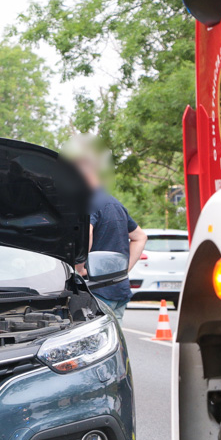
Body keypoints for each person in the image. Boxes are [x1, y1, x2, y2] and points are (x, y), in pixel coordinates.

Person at [65, 134, 147, 323]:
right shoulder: (114, 203)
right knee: (114, 341)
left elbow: (87, 233)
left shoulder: (88, 203)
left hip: (97, 292)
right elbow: (140, 237)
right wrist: (123, 271)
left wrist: (79, 267)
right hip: (119, 289)